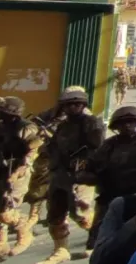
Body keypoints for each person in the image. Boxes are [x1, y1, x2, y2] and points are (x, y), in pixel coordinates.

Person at [32, 88, 104, 264]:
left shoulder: (91, 123)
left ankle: (99, 239)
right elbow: (53, 147)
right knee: (55, 213)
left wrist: (82, 166)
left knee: (80, 211)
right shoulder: (62, 125)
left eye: (77, 104)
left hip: (81, 173)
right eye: (69, 104)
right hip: (60, 173)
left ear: (83, 105)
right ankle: (61, 250)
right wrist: (48, 147)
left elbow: (96, 148)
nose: (73, 107)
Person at [80, 106, 136, 252]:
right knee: (99, 239)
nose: (127, 126)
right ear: (116, 126)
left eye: (130, 122)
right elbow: (92, 167)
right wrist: (86, 175)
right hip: (111, 195)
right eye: (122, 123)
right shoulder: (109, 145)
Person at [22, 86, 88, 232]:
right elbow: (35, 124)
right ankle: (34, 216)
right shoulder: (52, 112)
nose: (70, 105)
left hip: (71, 161)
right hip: (48, 156)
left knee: (67, 193)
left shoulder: (86, 119)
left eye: (74, 102)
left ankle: (69, 219)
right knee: (39, 186)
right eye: (66, 101)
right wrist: (38, 131)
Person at [0, 97, 43, 259]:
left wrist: (19, 170)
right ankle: (1, 244)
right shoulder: (1, 126)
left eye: (2, 110)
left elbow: (32, 150)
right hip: (2, 170)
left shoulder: (26, 128)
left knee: (6, 209)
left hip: (19, 171)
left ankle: (23, 229)